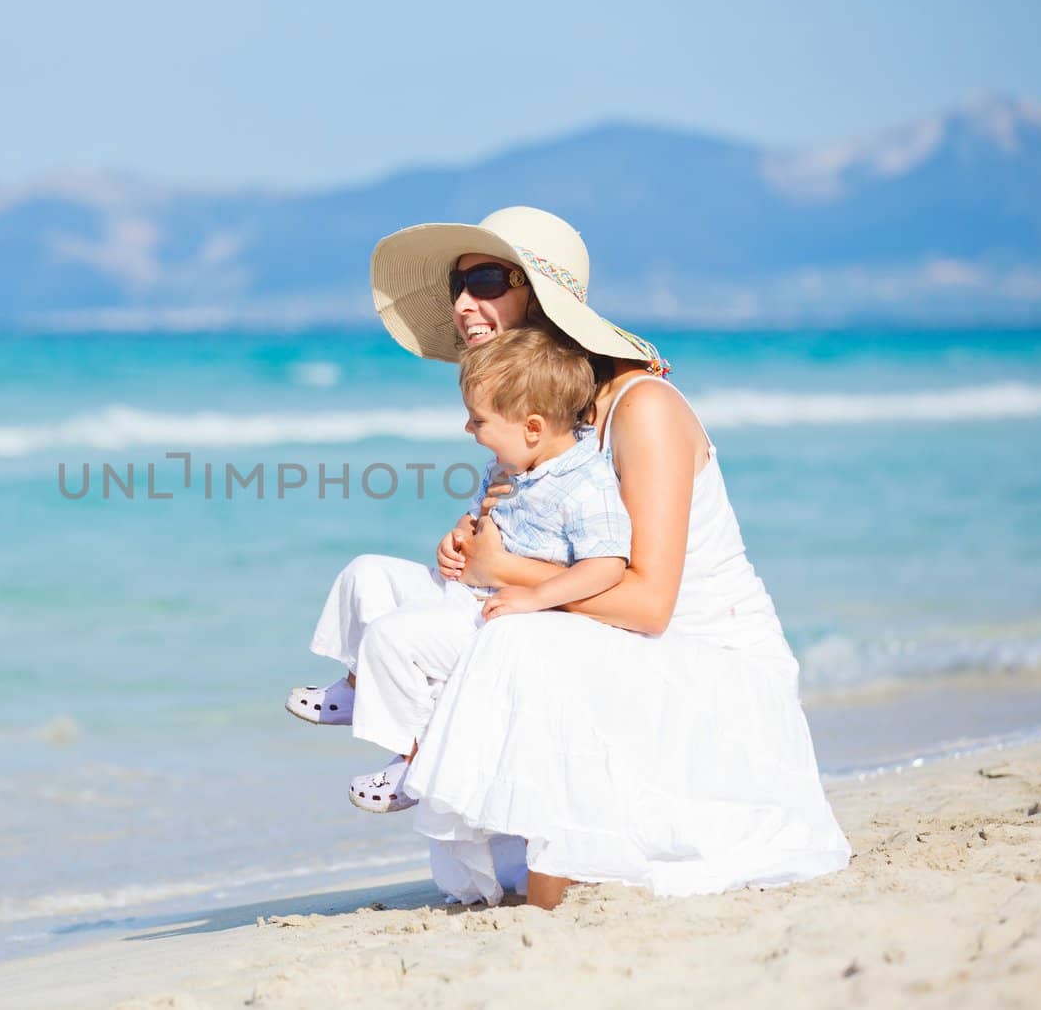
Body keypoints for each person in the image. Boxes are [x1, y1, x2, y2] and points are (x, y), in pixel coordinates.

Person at [363, 206, 851, 909]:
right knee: (392, 592)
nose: (464, 302)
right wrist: (471, 549)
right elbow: (527, 552)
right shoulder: (553, 419)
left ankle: (541, 884)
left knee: (516, 633)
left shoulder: (641, 407)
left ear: (539, 295)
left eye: (487, 278)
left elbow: (651, 604)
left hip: (715, 685)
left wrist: (504, 572)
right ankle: (441, 783)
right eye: (456, 285)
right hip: (622, 663)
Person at [293, 328, 632, 812]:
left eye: (478, 420)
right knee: (365, 572)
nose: (469, 431)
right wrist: (457, 537)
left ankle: (417, 757)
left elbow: (607, 565)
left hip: (506, 617)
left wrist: (535, 596)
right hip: (467, 591)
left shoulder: (587, 484)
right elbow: (477, 519)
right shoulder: (508, 464)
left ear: (532, 427)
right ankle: (357, 685)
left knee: (391, 638)